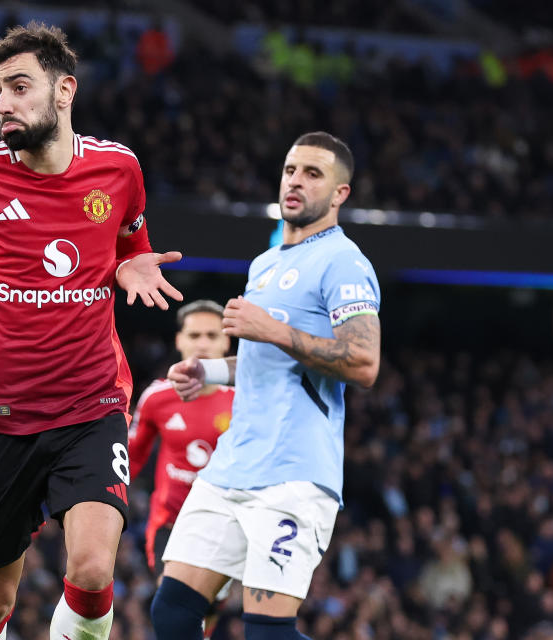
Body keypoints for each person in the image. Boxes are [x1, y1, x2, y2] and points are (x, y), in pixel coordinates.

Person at [0, 22, 183, 640]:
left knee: (88, 570)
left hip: (92, 405)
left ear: (64, 91)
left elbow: (132, 239)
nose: (5, 102)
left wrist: (132, 259)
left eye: (20, 86)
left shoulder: (119, 170)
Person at [149, 132, 382, 640]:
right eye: (291, 170)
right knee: (171, 614)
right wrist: (209, 372)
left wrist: (270, 328)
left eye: (313, 174)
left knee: (267, 634)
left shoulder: (344, 262)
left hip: (293, 476)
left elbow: (364, 362)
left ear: (340, 194)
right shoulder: (267, 263)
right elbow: (265, 358)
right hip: (232, 466)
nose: (296, 181)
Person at [129, 299, 233, 576]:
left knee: (205, 615)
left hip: (228, 527)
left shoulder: (246, 402)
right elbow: (130, 458)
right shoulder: (156, 397)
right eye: (194, 335)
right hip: (170, 527)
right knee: (172, 605)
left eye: (212, 335)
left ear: (227, 342)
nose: (202, 344)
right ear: (179, 340)